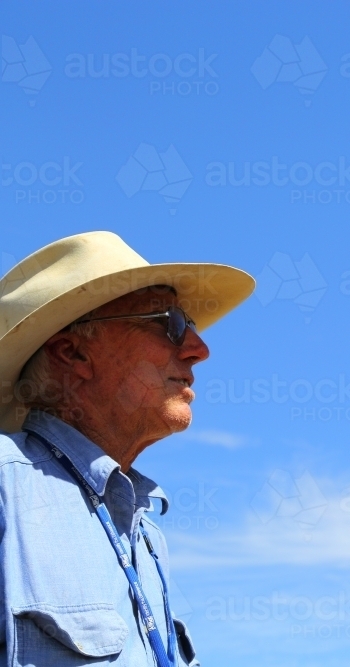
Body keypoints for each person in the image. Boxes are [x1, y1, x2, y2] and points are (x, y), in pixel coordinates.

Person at [0, 231, 255, 666]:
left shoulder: (147, 533)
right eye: (170, 323)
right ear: (72, 353)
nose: (198, 349)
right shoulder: (6, 486)